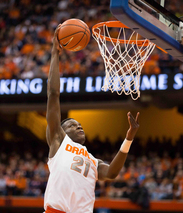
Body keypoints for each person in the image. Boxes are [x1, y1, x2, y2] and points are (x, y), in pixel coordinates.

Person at [44, 25, 140, 213]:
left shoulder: (93, 160)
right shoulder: (58, 142)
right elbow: (54, 94)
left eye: (79, 124)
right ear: (62, 130)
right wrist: (55, 53)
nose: (79, 126)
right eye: (72, 124)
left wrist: (129, 137)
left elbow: (112, 173)